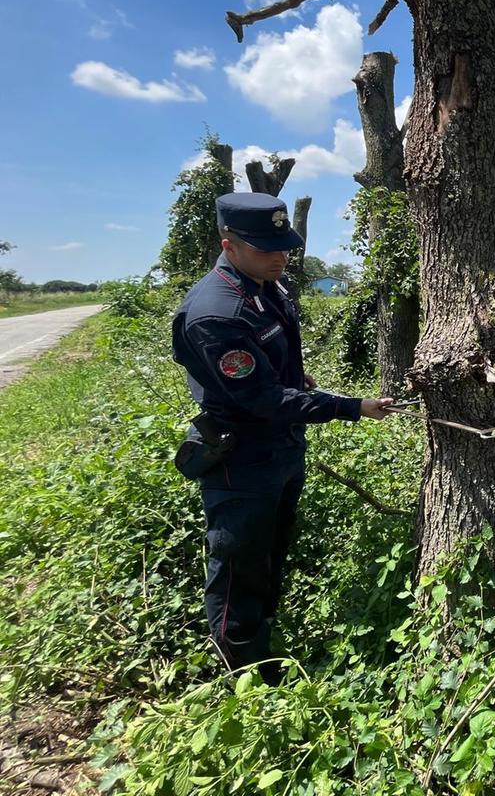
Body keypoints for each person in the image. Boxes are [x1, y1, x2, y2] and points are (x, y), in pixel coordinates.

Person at [171, 192, 393, 680]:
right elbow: (263, 400)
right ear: (229, 246)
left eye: (284, 245)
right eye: (265, 247)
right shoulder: (217, 312)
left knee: (271, 550)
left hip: (283, 448)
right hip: (243, 459)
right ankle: (245, 678)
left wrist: (295, 373)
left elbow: (273, 362)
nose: (280, 256)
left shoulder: (268, 284)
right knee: (238, 566)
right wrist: (351, 407)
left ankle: (263, 637)